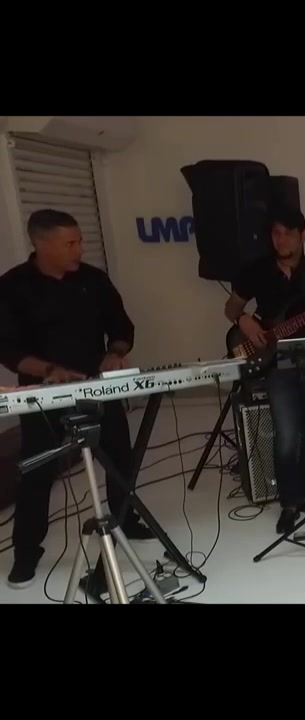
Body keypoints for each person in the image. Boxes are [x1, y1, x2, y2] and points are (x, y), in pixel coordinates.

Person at [0, 209, 155, 592]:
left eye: (80, 241)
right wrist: (50, 369)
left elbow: (121, 326)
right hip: (43, 394)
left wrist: (115, 353)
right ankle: (26, 551)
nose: (79, 249)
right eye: (70, 243)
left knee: (119, 457)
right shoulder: (12, 286)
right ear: (41, 243)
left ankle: (124, 518)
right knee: (38, 470)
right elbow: (8, 349)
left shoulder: (93, 280)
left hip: (97, 387)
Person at [224, 207, 305, 534]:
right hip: (276, 355)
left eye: (288, 234)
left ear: (303, 235)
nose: (280, 240)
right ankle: (289, 503)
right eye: (276, 233)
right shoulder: (257, 270)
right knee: (285, 434)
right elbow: (231, 306)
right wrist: (243, 319)